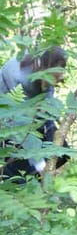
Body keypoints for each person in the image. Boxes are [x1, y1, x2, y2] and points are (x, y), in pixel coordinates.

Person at [0, 46, 69, 182]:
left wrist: (56, 119)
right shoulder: (17, 77)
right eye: (56, 73)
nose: (60, 76)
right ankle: (26, 189)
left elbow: (48, 97)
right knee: (19, 171)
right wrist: (39, 164)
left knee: (61, 151)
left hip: (32, 115)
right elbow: (20, 126)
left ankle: (41, 184)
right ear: (46, 67)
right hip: (8, 122)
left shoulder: (45, 73)